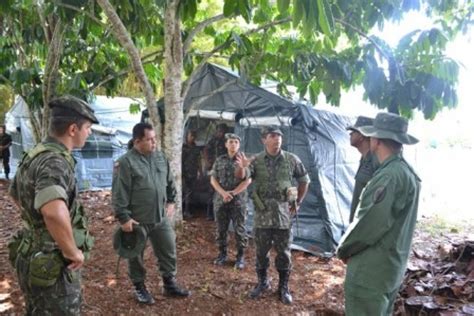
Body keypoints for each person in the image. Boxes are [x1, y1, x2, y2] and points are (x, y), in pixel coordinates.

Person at [8, 95, 98, 315]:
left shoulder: (35, 154)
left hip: (33, 253)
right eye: (88, 127)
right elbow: (53, 211)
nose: (90, 132)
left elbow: (16, 194)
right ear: (73, 129)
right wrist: (72, 251)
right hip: (51, 261)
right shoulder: (55, 161)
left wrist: (36, 226)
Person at [336, 112, 421, 316]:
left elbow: (369, 224)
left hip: (371, 270)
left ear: (377, 140)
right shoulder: (405, 172)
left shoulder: (389, 176)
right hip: (388, 268)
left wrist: (345, 249)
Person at [112, 122, 190, 305]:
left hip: (160, 217)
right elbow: (119, 193)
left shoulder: (160, 158)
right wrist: (123, 217)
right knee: (135, 255)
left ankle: (169, 283)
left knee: (168, 248)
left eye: (155, 138)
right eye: (150, 140)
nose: (154, 143)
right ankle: (139, 287)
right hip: (136, 219)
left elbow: (170, 182)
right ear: (137, 141)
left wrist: (171, 201)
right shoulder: (125, 163)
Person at [236, 126, 310, 305]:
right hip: (262, 214)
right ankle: (262, 283)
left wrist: (298, 202)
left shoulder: (292, 159)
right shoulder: (256, 160)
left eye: (279, 136)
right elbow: (242, 177)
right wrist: (241, 167)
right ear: (264, 140)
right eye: (273, 136)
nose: (277, 139)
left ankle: (283, 287)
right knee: (261, 251)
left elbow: (304, 180)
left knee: (284, 253)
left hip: (283, 214)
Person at [210, 133, 251, 269]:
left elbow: (247, 180)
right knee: (221, 229)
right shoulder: (219, 160)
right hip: (221, 200)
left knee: (240, 229)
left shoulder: (243, 160)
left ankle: (240, 257)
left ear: (239, 145)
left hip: (238, 200)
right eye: (231, 142)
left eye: (236, 142)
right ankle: (222, 254)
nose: (233, 144)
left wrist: (233, 193)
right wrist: (223, 193)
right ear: (226, 144)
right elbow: (213, 179)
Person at [346, 116, 378, 223]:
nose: (350, 134)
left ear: (361, 135)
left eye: (354, 131)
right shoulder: (364, 158)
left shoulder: (375, 161)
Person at [203, 123, 228, 220]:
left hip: (223, 169)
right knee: (211, 191)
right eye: (220, 131)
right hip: (213, 168)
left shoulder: (226, 141)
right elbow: (205, 151)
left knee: (222, 191)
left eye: (223, 131)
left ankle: (219, 214)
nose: (221, 133)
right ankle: (209, 214)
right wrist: (208, 162)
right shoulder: (213, 140)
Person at [182, 129, 202, 219]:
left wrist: (200, 171)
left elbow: (199, 161)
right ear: (187, 136)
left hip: (193, 173)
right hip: (184, 174)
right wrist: (182, 174)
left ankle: (188, 211)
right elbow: (180, 162)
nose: (193, 138)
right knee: (185, 193)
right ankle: (184, 211)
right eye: (191, 136)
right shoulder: (183, 147)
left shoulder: (196, 148)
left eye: (194, 136)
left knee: (190, 193)